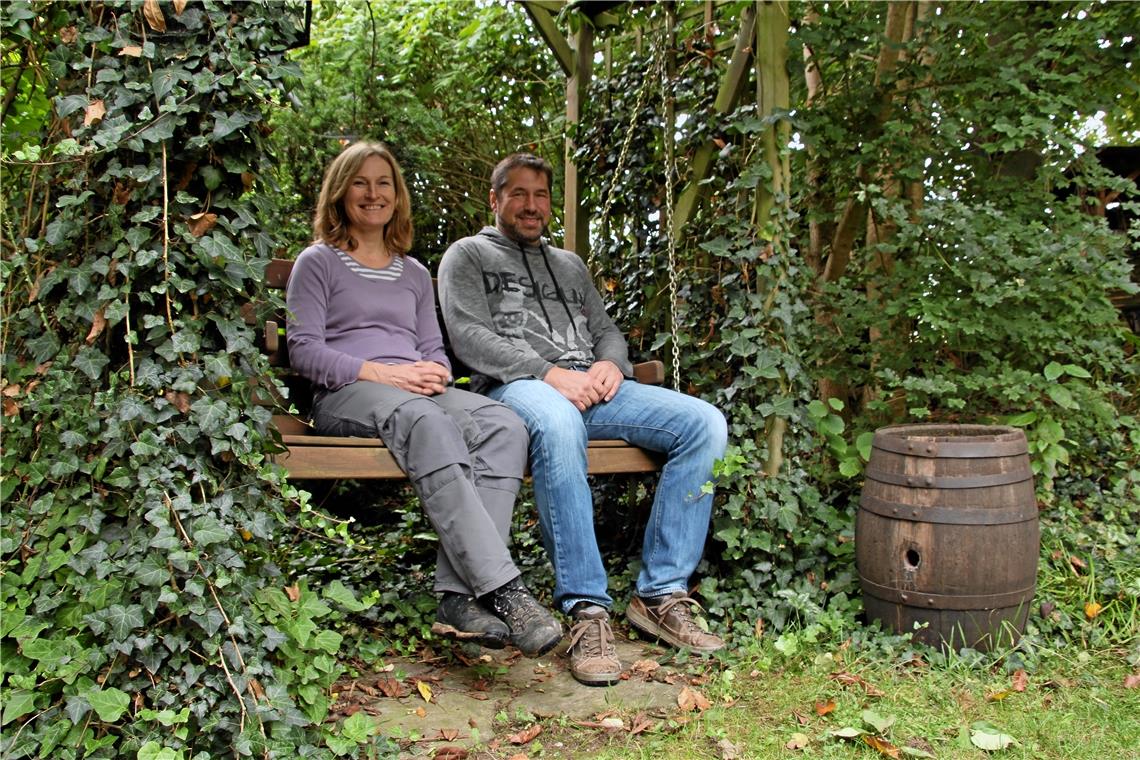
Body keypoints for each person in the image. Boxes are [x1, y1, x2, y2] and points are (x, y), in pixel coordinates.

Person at [438, 152, 728, 686]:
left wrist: (609, 365)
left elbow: (607, 329)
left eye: (541, 195)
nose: (531, 205)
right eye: (518, 193)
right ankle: (587, 611)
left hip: (592, 388)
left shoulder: (569, 264)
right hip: (516, 389)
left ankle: (660, 595)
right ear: (495, 199)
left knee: (704, 424)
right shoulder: (468, 255)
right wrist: (547, 374)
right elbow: (468, 336)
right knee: (559, 422)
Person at [285, 141, 562, 658]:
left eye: (384, 183)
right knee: (424, 421)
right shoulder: (317, 262)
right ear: (341, 192)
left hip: (413, 393)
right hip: (347, 394)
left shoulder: (413, 273)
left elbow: (433, 348)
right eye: (361, 182)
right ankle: (506, 590)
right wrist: (382, 374)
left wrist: (433, 371)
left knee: (503, 425)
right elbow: (304, 352)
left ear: (397, 195)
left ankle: (457, 599)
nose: (373, 194)